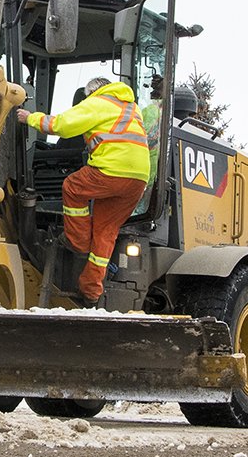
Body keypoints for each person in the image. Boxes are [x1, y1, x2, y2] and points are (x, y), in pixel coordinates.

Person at [16, 76, 150, 307]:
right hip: (137, 180)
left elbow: (62, 126)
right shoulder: (130, 108)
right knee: (105, 231)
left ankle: (77, 242)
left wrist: (30, 118)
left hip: (112, 170)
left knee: (73, 187)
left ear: (92, 93)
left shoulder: (98, 102)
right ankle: (90, 292)